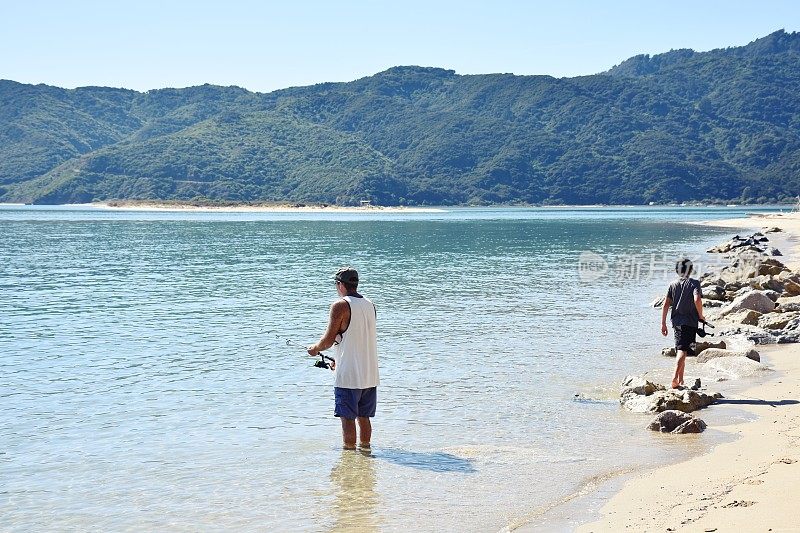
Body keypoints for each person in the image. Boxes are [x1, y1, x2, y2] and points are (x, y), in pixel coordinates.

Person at [308, 267, 379, 450]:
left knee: (347, 419)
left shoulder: (340, 305)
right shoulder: (370, 305)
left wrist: (315, 349)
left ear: (340, 285)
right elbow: (357, 338)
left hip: (348, 377)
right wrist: (338, 361)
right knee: (364, 417)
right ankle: (365, 453)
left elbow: (328, 341)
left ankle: (349, 458)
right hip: (370, 375)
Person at [661, 258, 706, 389]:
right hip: (690, 322)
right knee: (682, 350)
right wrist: (701, 315)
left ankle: (681, 380)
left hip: (676, 322)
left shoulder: (672, 284)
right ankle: (675, 379)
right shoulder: (695, 283)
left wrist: (663, 323)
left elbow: (665, 305)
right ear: (691, 270)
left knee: (683, 349)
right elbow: (697, 299)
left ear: (677, 270)